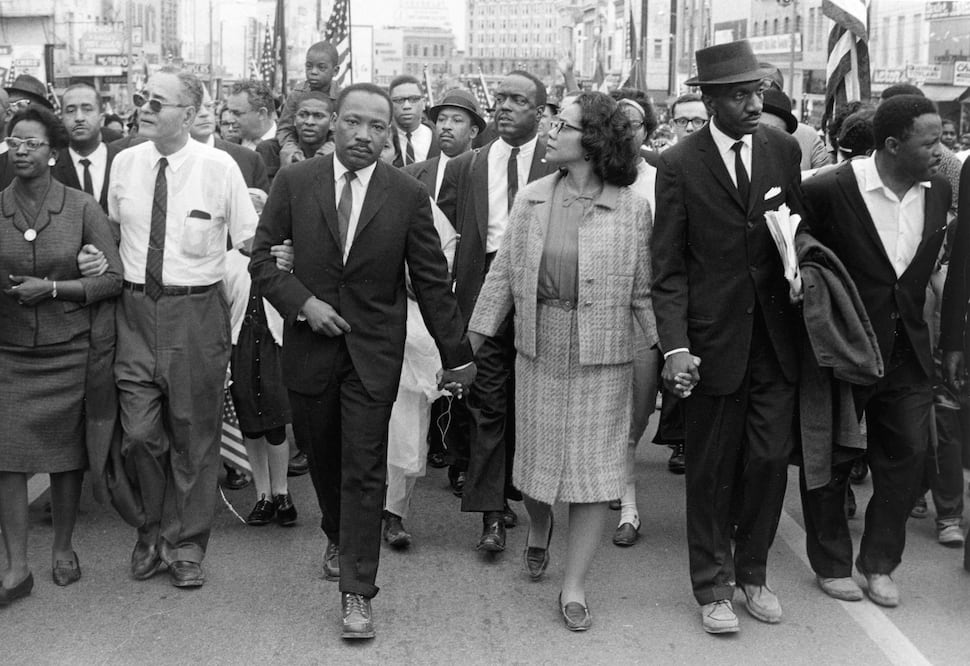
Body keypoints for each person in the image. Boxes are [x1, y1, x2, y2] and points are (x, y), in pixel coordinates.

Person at [249, 82, 475, 640]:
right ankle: (335, 530)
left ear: (387, 133)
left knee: (365, 468)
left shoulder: (404, 195)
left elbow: (431, 279)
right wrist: (304, 303)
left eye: (377, 127)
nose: (364, 135)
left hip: (373, 356)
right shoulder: (294, 182)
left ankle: (357, 590)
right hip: (310, 351)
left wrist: (459, 357)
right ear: (334, 123)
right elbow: (261, 260)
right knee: (324, 461)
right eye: (353, 123)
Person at [468, 91, 654, 631]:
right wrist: (467, 350)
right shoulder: (530, 199)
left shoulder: (632, 209)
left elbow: (643, 294)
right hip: (539, 342)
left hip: (604, 350)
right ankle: (538, 526)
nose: (550, 131)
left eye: (562, 125)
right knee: (538, 467)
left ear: (592, 142)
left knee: (596, 473)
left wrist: (673, 354)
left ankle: (573, 586)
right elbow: (500, 279)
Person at [651, 40, 803, 634]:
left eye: (757, 91)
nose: (751, 103)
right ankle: (713, 586)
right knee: (711, 468)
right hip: (711, 342)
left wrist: (799, 274)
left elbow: (794, 230)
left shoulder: (782, 149)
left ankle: (754, 574)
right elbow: (667, 267)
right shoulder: (677, 163)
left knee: (768, 460)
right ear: (708, 99)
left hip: (775, 337)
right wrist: (676, 346)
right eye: (738, 94)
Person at [107, 67, 258, 589]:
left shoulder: (220, 169)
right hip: (132, 314)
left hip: (195, 315)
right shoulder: (124, 163)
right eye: (144, 98)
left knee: (194, 438)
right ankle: (151, 529)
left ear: (189, 115)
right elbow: (113, 234)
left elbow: (249, 242)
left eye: (159, 102)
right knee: (139, 436)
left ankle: (188, 544)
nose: (145, 107)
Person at [799, 95, 950, 607]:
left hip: (908, 350)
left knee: (908, 455)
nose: (941, 149)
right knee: (834, 457)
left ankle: (880, 563)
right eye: (930, 141)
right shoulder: (828, 190)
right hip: (846, 348)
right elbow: (797, 252)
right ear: (891, 145)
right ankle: (832, 563)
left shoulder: (940, 192)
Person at [0, 107, 122, 605]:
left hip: (69, 350)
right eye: (15, 142)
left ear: (53, 153)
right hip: (8, 352)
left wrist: (53, 288)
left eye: (32, 142)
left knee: (66, 458)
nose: (22, 150)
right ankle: (16, 566)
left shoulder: (80, 208)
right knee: (7, 459)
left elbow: (112, 279)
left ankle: (64, 547)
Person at [437, 70, 557, 553]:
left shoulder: (557, 163)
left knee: (530, 400)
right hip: (483, 287)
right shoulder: (469, 164)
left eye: (518, 100)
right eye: (501, 99)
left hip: (541, 292)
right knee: (487, 400)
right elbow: (442, 230)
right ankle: (490, 516)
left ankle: (530, 499)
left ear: (541, 112)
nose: (504, 107)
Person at [609, 89, 660, 547]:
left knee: (638, 413)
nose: (626, 133)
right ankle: (628, 507)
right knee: (614, 418)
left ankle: (617, 481)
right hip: (599, 315)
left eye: (635, 125)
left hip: (646, 318)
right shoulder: (588, 180)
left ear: (648, 131)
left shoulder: (663, 181)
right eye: (616, 124)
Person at [53, 83, 121, 211]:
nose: (79, 118)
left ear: (101, 117)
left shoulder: (123, 161)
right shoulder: (51, 167)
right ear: (61, 119)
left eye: (87, 109)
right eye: (71, 111)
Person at [190, 84, 269, 193]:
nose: (204, 114)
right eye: (196, 108)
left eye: (208, 106)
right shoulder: (166, 158)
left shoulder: (249, 159)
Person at [276, 41, 341, 165]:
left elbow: (343, 131)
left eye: (321, 67)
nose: (313, 72)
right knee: (269, 147)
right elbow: (284, 128)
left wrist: (332, 145)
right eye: (309, 66)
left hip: (330, 148)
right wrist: (291, 147)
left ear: (335, 71)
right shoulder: (297, 94)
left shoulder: (342, 97)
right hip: (300, 144)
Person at [257, 91, 334, 186]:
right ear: (294, 119)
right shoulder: (270, 150)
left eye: (318, 116)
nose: (309, 122)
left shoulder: (339, 153)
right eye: (303, 115)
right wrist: (285, 170)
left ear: (332, 121)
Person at [389, 74, 439, 167]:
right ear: (389, 105)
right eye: (399, 100)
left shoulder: (439, 138)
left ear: (423, 103)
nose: (407, 106)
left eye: (414, 99)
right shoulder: (383, 140)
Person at [225, 81, 278, 151]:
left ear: (262, 113)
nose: (229, 119)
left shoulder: (288, 144)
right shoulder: (227, 147)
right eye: (230, 112)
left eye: (236, 113)